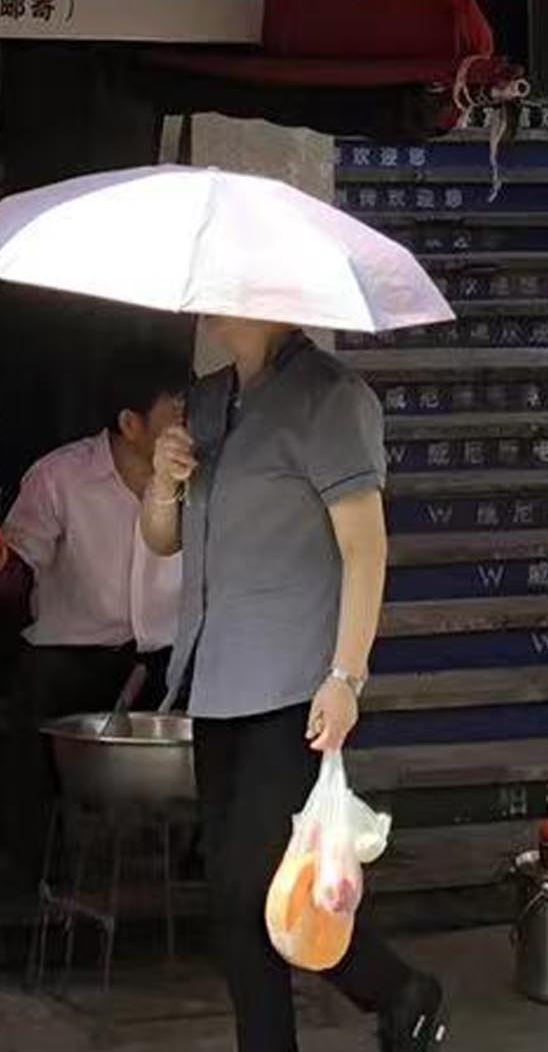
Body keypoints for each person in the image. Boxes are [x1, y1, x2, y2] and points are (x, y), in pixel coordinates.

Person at [142, 319, 443, 1052]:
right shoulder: (206, 401)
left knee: (257, 890)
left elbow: (365, 549)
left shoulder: (330, 399)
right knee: (235, 902)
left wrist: (346, 676)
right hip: (215, 680)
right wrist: (162, 481)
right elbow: (163, 538)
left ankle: (396, 989)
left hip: (294, 688)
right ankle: (394, 993)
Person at [0, 357, 188, 886]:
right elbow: (17, 568)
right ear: (131, 424)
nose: (187, 428)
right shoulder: (59, 477)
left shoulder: (202, 476)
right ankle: (26, 875)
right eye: (176, 414)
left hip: (167, 658)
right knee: (36, 705)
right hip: (71, 657)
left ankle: (194, 869)